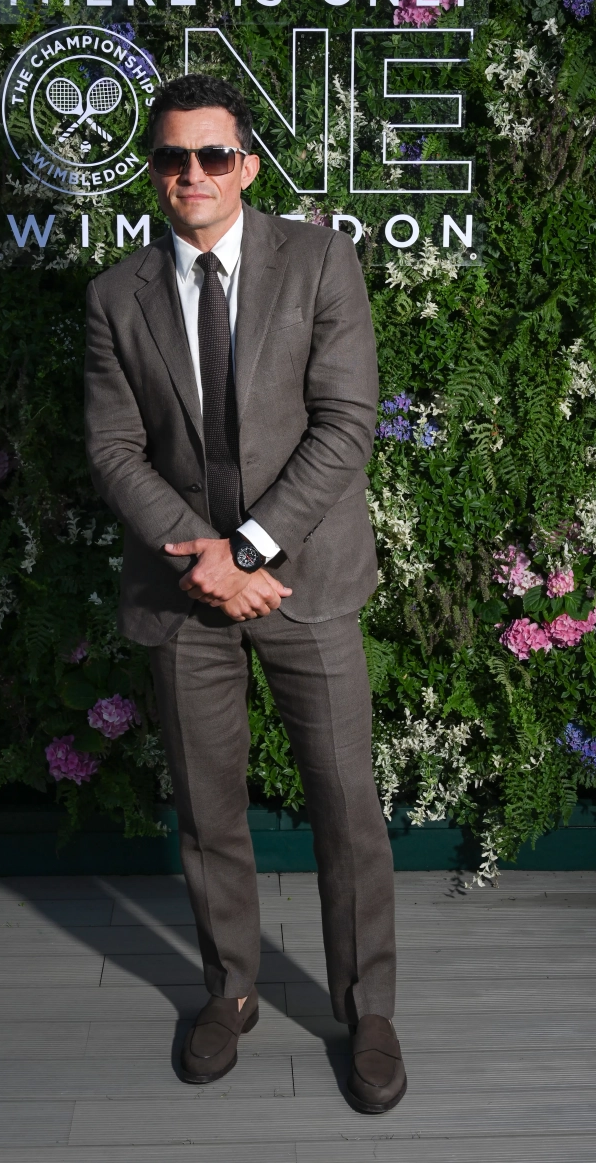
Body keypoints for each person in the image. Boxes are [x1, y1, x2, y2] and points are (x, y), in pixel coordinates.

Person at [84, 73, 404, 1114]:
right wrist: (205, 562)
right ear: (154, 171)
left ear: (248, 166)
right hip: (184, 594)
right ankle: (229, 991)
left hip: (304, 581)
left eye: (212, 155)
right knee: (207, 810)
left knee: (346, 808)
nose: (193, 174)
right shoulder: (115, 295)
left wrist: (253, 550)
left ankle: (367, 1011)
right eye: (172, 156)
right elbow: (114, 448)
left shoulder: (319, 261)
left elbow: (345, 424)